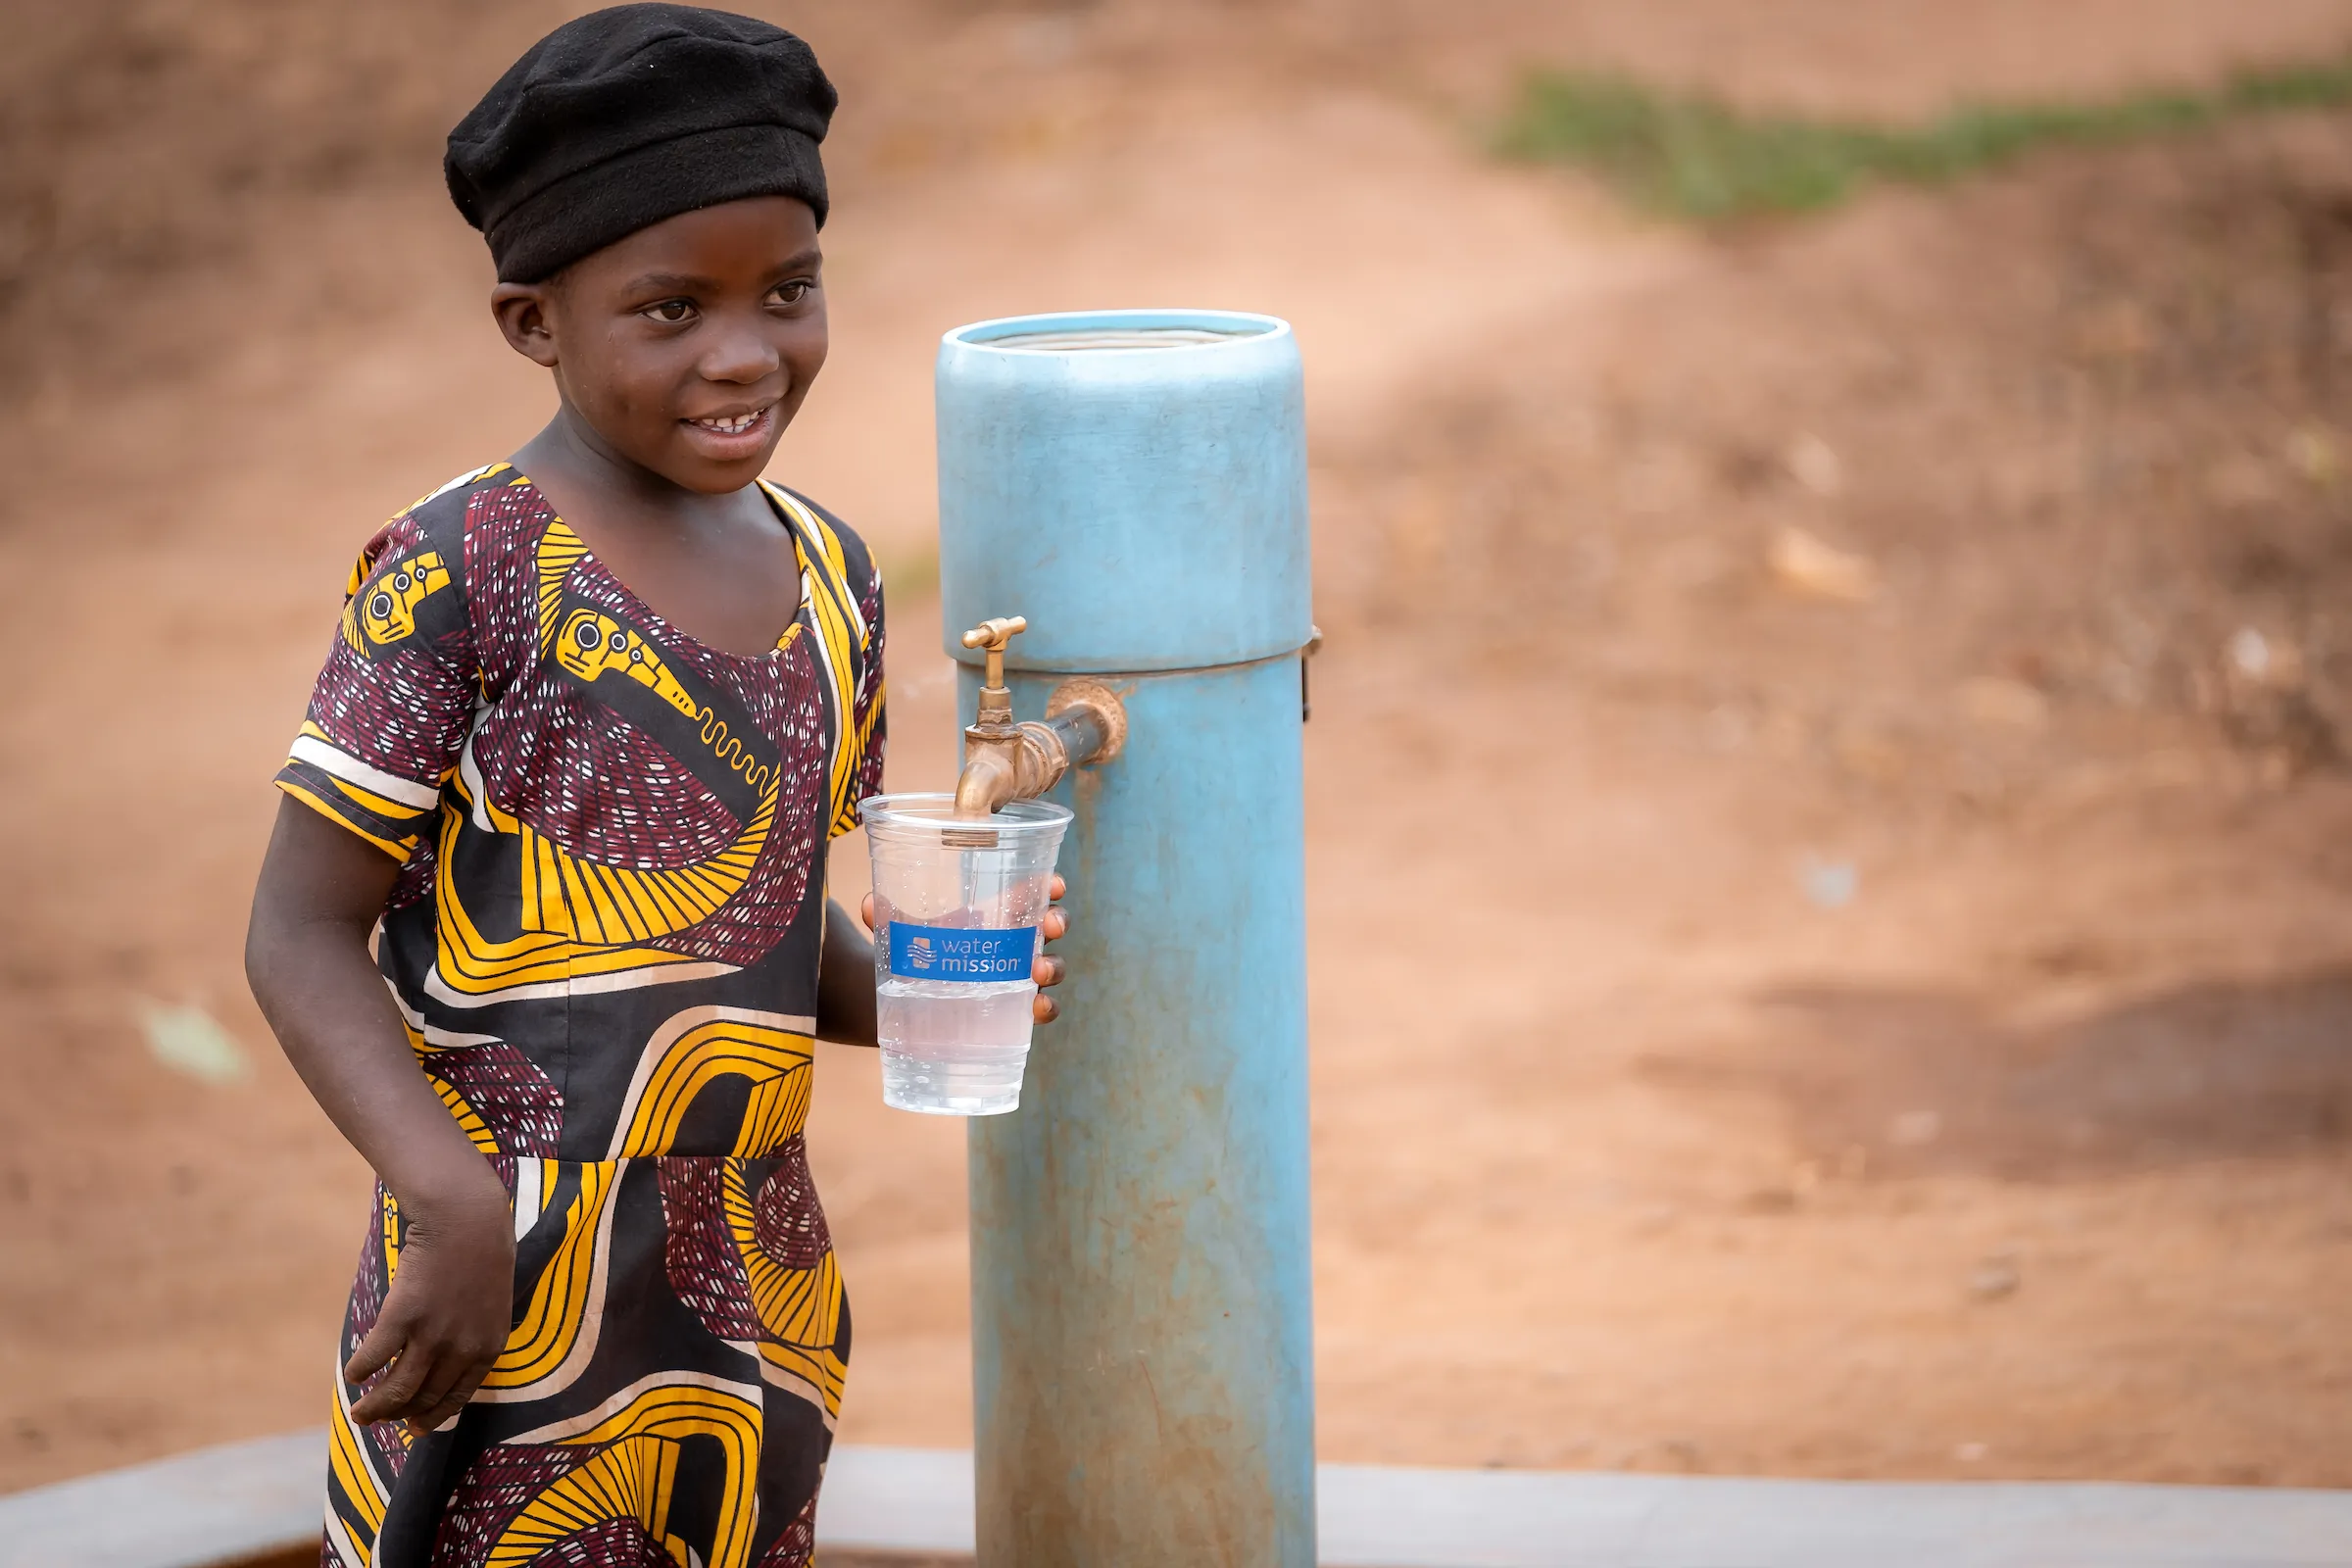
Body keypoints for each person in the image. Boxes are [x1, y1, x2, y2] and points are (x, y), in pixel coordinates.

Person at [242, 9, 1067, 1564]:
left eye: (789, 291)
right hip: (509, 1274)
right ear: (530, 321)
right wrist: (449, 1201)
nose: (745, 352)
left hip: (758, 1272)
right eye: (671, 308)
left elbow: (761, 918)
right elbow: (295, 933)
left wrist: (917, 993)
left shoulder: (832, 577)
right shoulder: (461, 570)